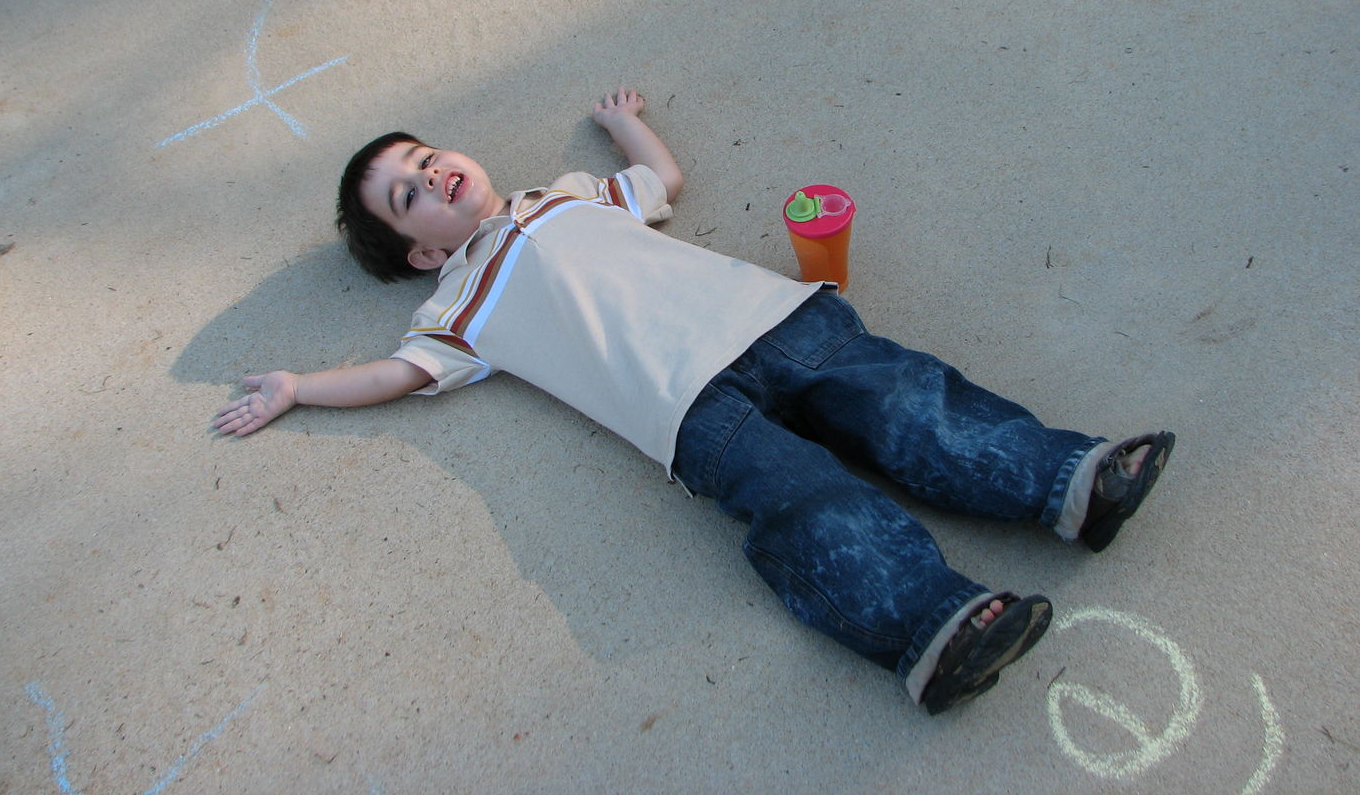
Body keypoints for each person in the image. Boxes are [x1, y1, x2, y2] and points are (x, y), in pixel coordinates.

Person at [213, 87, 1173, 714]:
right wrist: (300, 388)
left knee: (904, 398)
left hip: (774, 320)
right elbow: (395, 376)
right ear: (422, 251)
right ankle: (930, 627)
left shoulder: (568, 195)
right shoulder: (457, 307)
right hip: (688, 413)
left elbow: (659, 181)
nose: (428, 176)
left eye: (423, 157)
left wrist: (623, 122)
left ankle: (1066, 481)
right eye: (408, 196)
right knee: (809, 502)